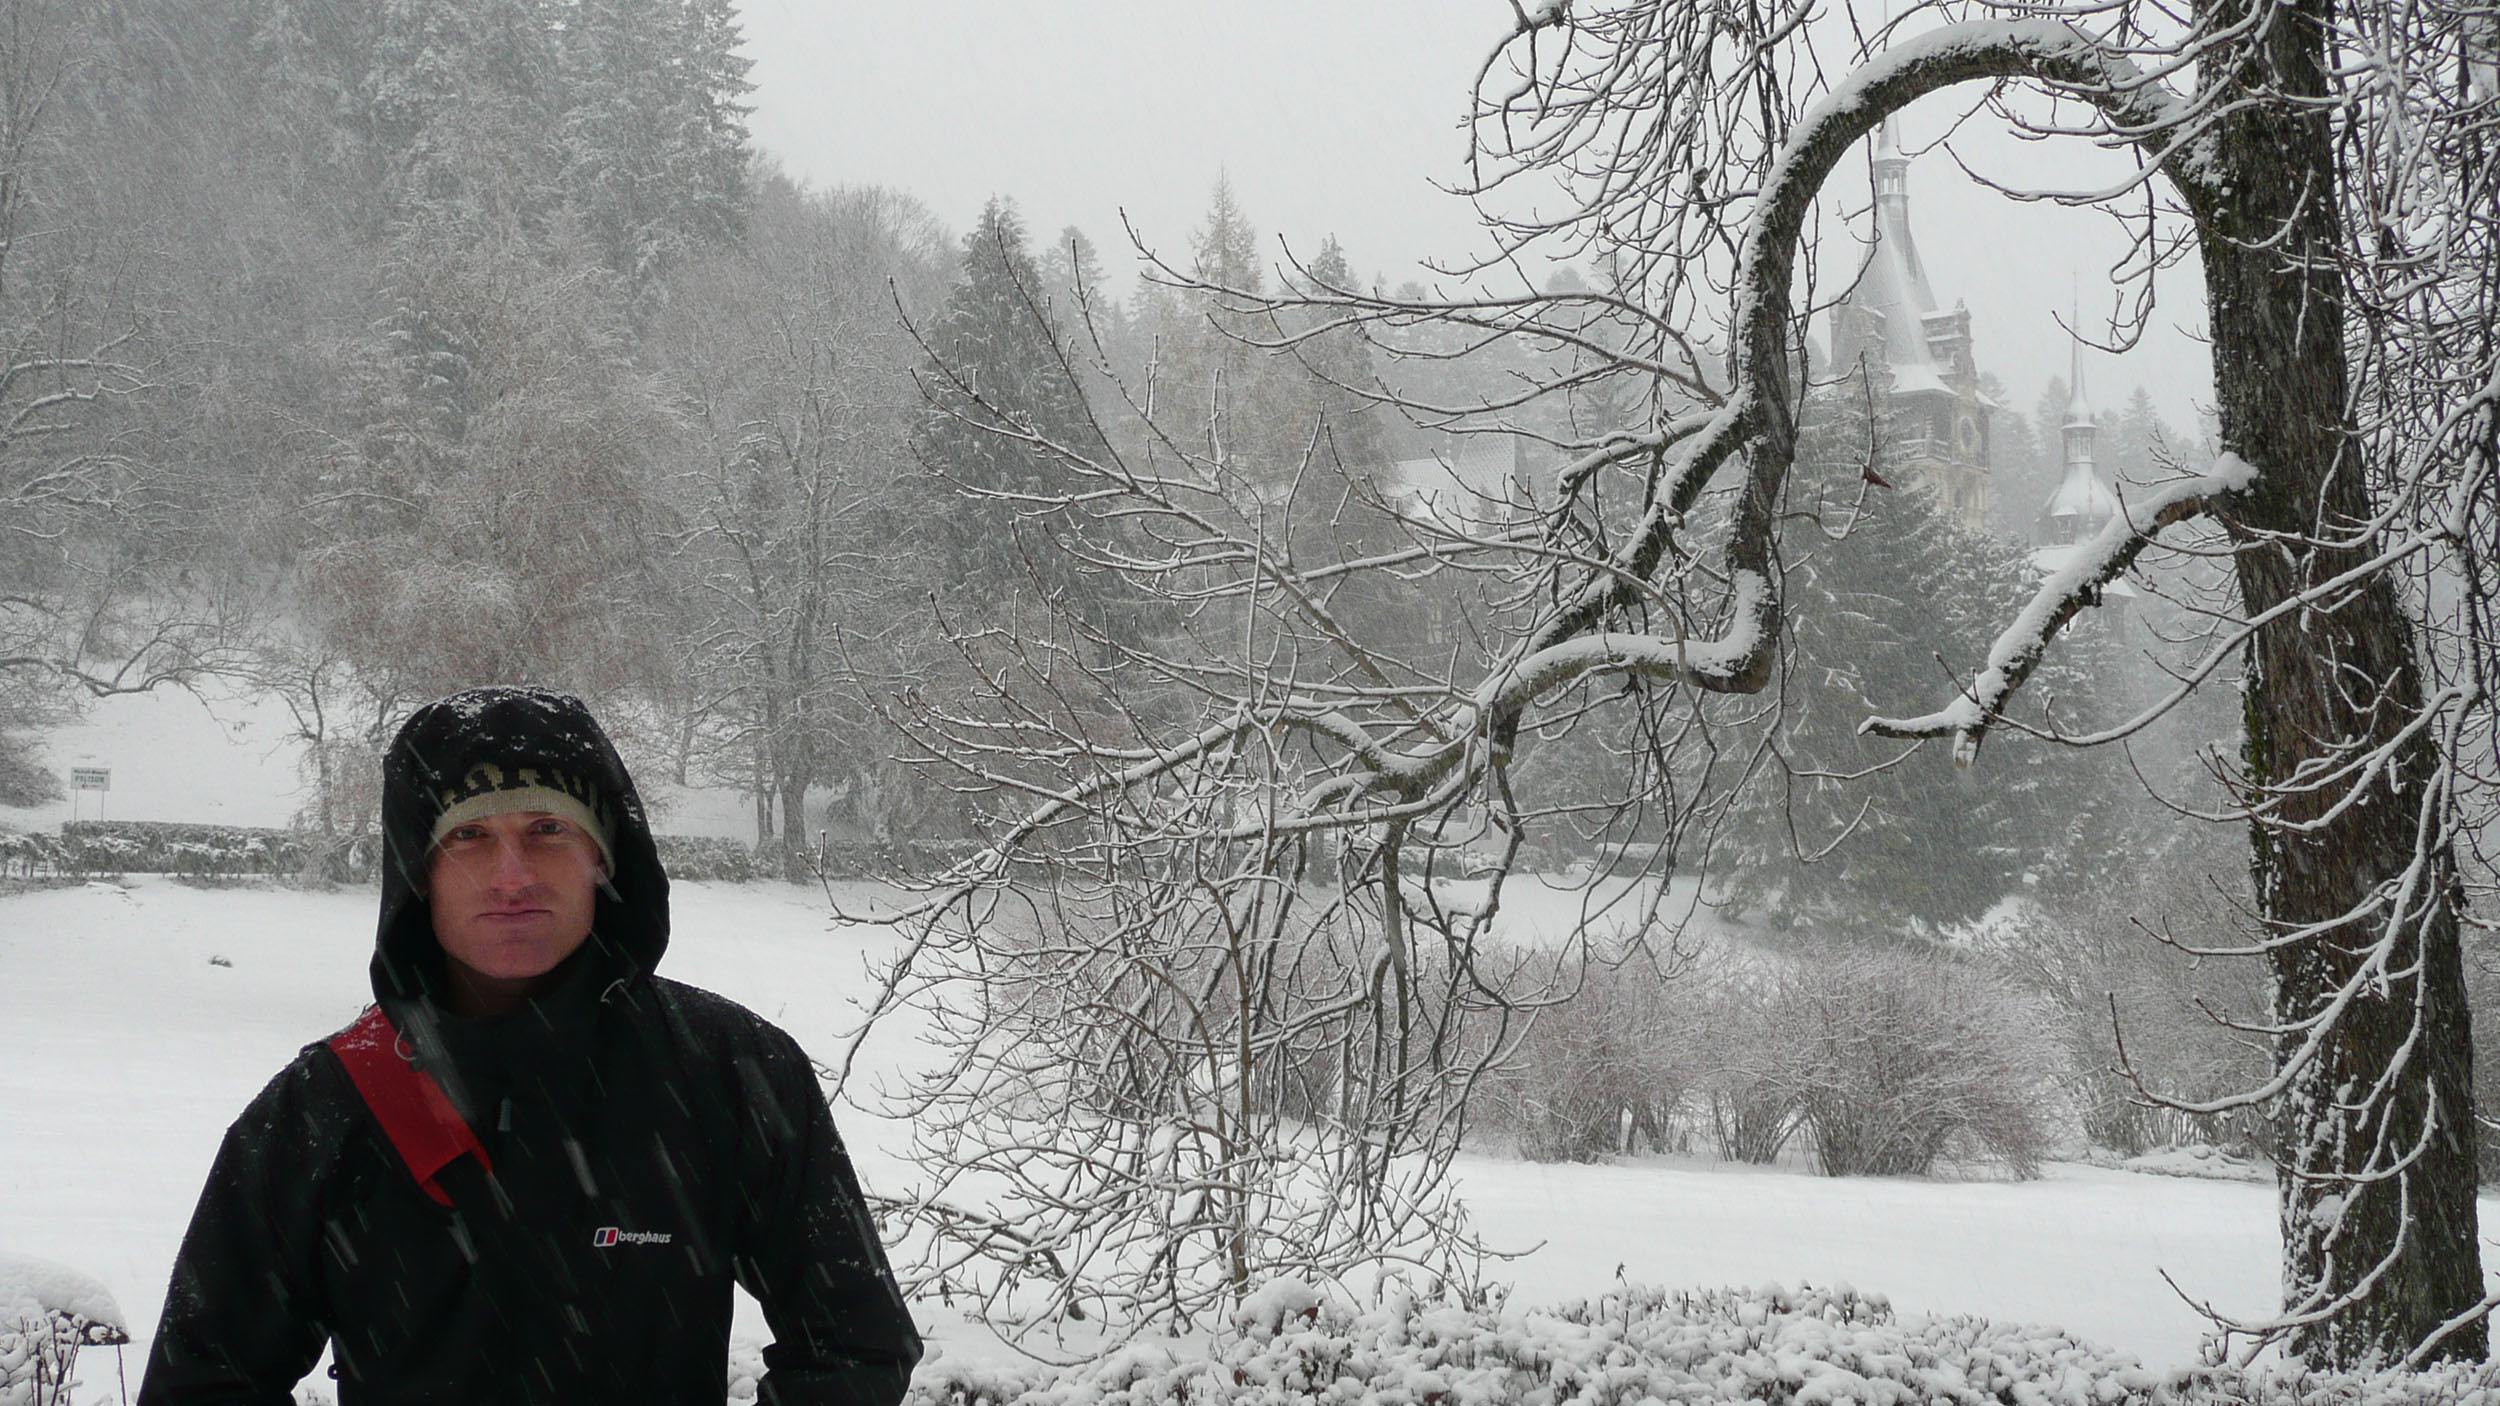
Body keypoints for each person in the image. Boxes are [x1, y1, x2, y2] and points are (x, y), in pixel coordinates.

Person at [139, 686, 923, 1404]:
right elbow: (204, 1379)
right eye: (470, 837)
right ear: (420, 875)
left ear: (602, 859)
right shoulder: (324, 1108)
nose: (511, 876)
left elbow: (856, 1343)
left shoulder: (729, 1072)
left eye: (547, 830)